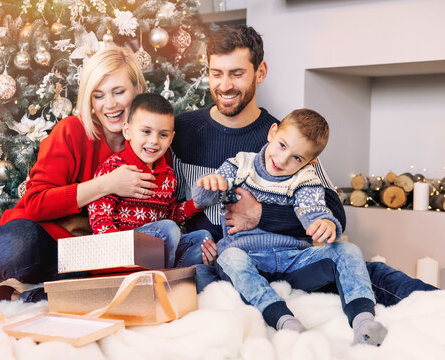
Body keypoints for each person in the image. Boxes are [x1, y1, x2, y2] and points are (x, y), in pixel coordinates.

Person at [171, 24, 437, 306]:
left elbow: (334, 213)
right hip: (224, 263)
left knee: (371, 273)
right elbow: (164, 205)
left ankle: (434, 306)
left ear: (260, 72)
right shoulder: (181, 132)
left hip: (287, 259)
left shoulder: (285, 140)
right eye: (216, 74)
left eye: (237, 74)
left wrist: (262, 214)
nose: (225, 85)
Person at [0, 46, 212, 302]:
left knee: (93, 288)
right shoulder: (71, 131)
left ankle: (19, 295)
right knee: (18, 242)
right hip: (42, 237)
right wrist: (106, 184)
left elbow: (158, 216)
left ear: (138, 88)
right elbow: (36, 203)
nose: (109, 105)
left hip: (92, 257)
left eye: (118, 92)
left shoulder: (152, 144)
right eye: (98, 95)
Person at [192, 109, 387, 345]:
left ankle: (363, 322)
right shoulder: (241, 164)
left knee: (348, 250)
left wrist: (323, 224)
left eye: (297, 158)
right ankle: (283, 319)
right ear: (272, 133)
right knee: (230, 257)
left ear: (310, 162)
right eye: (282, 145)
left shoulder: (305, 179)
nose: (283, 160)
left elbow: (312, 211)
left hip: (292, 260)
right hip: (246, 255)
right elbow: (204, 198)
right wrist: (210, 185)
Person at [87, 93, 211, 268]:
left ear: (171, 139)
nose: (154, 141)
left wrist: (195, 205)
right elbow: (99, 218)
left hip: (156, 249)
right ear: (127, 131)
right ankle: (161, 281)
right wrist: (119, 253)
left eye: (163, 135)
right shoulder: (114, 168)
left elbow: (170, 215)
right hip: (118, 249)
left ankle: (173, 278)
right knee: (167, 229)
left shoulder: (167, 175)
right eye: (146, 132)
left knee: (202, 238)